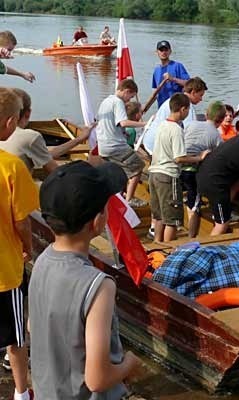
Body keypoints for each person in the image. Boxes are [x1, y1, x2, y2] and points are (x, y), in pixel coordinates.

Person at [30, 160, 142, 399]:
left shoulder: (41, 262)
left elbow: (33, 326)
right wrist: (129, 364)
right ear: (97, 221)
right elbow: (97, 379)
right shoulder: (99, 285)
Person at [0, 87, 37, 400]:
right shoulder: (12, 167)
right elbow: (23, 220)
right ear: (10, 123)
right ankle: (22, 393)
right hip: (5, 271)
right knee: (15, 338)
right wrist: (29, 247)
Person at [148, 93, 209, 242]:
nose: (188, 113)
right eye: (188, 110)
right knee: (173, 219)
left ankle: (157, 243)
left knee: (160, 215)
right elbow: (179, 158)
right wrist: (199, 157)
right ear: (182, 109)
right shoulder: (175, 129)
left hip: (154, 173)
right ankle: (169, 250)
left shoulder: (162, 124)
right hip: (168, 176)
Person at [0, 88, 92, 174]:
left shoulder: (16, 137)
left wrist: (79, 139)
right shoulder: (30, 137)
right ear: (28, 113)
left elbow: (46, 154)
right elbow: (55, 173)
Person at [95, 78, 146, 203]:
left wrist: (122, 133)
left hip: (103, 146)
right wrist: (145, 124)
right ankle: (129, 200)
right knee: (138, 167)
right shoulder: (118, 102)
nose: (129, 100)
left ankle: (117, 196)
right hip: (115, 146)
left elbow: (108, 123)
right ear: (127, 91)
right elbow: (123, 122)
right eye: (130, 96)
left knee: (120, 172)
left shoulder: (106, 101)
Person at [182, 101, 226, 238]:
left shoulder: (190, 124)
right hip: (192, 171)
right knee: (194, 207)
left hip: (178, 165)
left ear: (206, 114)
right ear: (221, 120)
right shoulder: (216, 136)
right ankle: (191, 237)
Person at [143, 77, 207, 155]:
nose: (201, 99)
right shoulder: (187, 107)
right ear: (193, 92)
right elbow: (189, 134)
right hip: (157, 148)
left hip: (148, 141)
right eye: (200, 95)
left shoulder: (173, 99)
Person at [152, 40, 190, 108]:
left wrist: (173, 79)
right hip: (162, 108)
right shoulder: (156, 70)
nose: (164, 52)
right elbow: (156, 93)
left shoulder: (178, 66)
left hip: (177, 107)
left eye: (166, 50)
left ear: (170, 51)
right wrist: (145, 109)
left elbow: (189, 84)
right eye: (161, 50)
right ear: (157, 52)